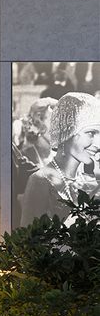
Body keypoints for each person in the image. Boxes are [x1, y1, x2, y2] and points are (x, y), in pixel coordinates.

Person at [22, 92, 100, 225]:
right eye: (90, 133)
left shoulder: (89, 179)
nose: (98, 144)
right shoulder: (40, 181)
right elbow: (27, 241)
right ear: (67, 132)